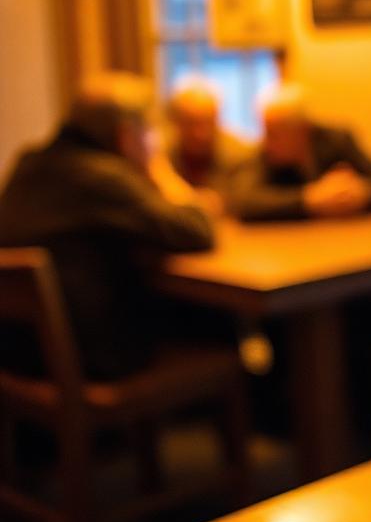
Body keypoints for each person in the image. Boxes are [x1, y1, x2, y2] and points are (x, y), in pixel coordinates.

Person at [0, 73, 215, 380]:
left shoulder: (29, 161)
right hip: (92, 361)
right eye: (150, 129)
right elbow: (197, 231)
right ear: (128, 135)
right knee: (208, 321)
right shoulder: (102, 176)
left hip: (20, 356)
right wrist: (162, 174)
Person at [229, 84, 371, 221]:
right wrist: (309, 199)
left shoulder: (337, 140)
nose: (267, 141)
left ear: (302, 130)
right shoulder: (264, 152)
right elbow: (245, 202)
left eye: (274, 133)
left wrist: (364, 192)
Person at [165, 76, 249, 199]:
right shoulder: (161, 156)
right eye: (191, 123)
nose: (200, 133)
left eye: (208, 122)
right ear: (175, 122)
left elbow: (240, 203)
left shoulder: (240, 155)